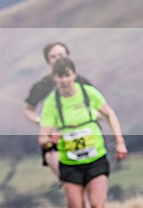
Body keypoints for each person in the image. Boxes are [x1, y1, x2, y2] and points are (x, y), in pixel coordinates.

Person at [38, 57, 128, 208]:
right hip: (70, 165)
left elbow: (110, 113)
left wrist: (120, 142)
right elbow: (43, 139)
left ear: (74, 75)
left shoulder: (88, 94)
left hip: (95, 159)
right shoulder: (51, 104)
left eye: (68, 75)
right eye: (60, 76)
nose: (64, 80)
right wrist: (50, 141)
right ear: (54, 78)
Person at [23, 42, 95, 178]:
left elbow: (98, 106)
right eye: (53, 56)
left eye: (61, 55)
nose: (58, 59)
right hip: (55, 140)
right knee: (69, 180)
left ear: (68, 56)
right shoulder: (42, 86)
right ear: (48, 61)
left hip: (83, 136)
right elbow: (28, 109)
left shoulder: (82, 83)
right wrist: (42, 122)